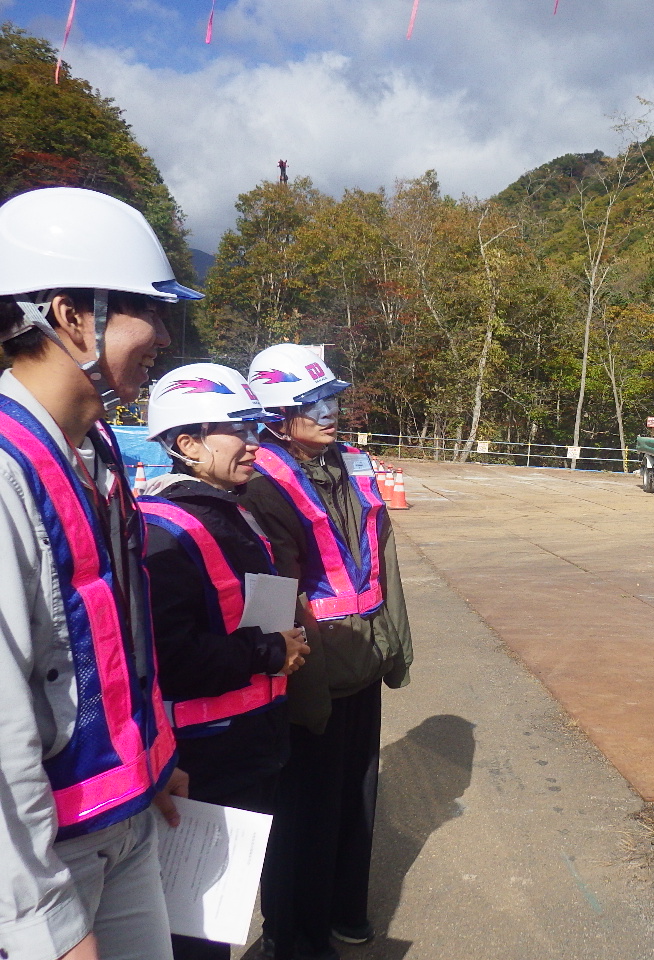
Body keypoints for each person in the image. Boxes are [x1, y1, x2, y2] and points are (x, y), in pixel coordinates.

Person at [0, 186, 199, 960]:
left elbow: (117, 637)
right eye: (150, 313)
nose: (163, 337)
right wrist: (44, 918)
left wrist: (160, 752)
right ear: (72, 314)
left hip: (130, 815)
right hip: (49, 857)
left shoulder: (99, 451)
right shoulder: (9, 470)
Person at [240, 343, 413, 960]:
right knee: (302, 816)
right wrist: (297, 688)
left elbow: (382, 565)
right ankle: (296, 937)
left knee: (355, 798)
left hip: (362, 662)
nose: (330, 413)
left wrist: (394, 648)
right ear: (275, 416)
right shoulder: (261, 487)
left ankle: (344, 910)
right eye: (313, 404)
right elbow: (273, 599)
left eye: (333, 399)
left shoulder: (353, 467)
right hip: (309, 672)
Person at [137, 363, 311, 960]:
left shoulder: (232, 511)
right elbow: (172, 657)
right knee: (197, 928)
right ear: (187, 444)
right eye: (237, 428)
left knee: (224, 916)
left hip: (250, 747)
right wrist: (269, 651)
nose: (253, 442)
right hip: (205, 758)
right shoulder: (165, 531)